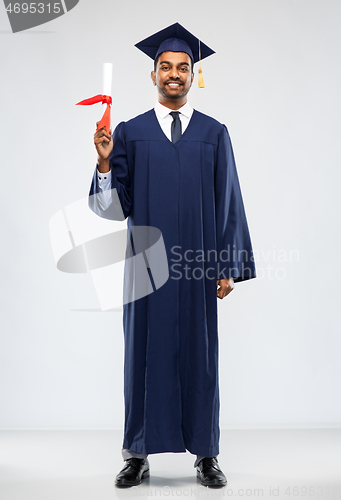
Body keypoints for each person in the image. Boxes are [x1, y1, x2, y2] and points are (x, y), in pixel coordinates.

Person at [88, 22, 256, 488]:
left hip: (199, 268)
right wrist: (104, 163)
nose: (174, 74)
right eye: (166, 67)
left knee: (201, 359)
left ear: (193, 74)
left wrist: (229, 267)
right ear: (153, 75)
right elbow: (111, 208)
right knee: (142, 356)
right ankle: (137, 453)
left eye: (183, 67)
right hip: (145, 268)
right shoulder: (129, 133)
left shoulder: (214, 133)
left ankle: (206, 454)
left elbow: (229, 201)